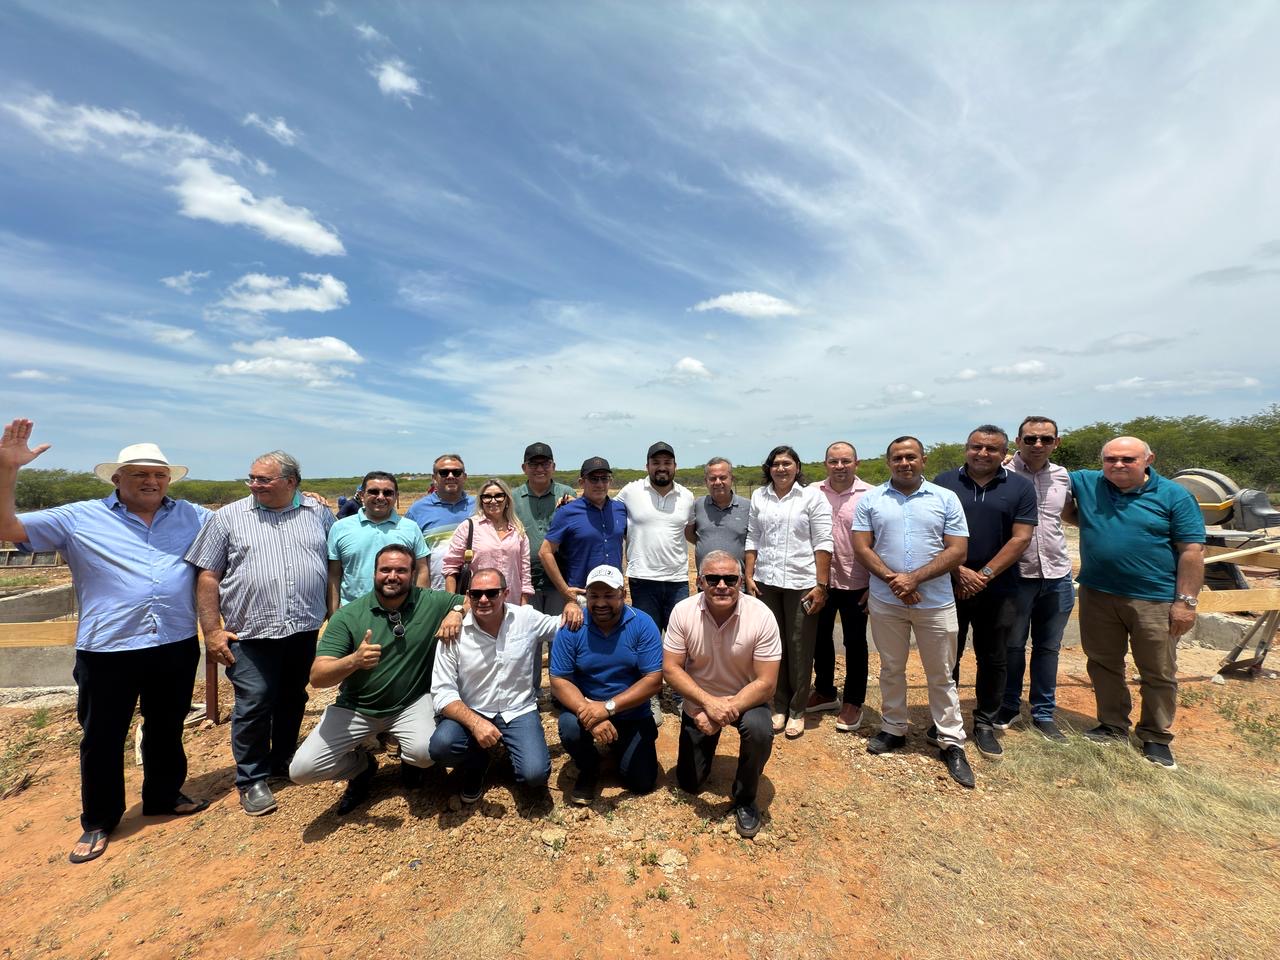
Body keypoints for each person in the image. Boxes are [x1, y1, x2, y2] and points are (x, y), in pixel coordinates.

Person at [0, 419, 210, 864]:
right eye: (140, 474)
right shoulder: (78, 518)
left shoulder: (192, 515)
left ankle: (163, 795)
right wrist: (8, 469)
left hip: (173, 641)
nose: (151, 481)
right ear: (117, 479)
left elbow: (241, 523)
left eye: (159, 475)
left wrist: (303, 501)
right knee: (102, 736)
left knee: (167, 726)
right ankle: (99, 819)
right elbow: (8, 528)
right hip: (108, 648)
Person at [186, 450, 334, 817]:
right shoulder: (227, 518)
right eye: (251, 478)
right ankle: (251, 778)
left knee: (292, 697)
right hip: (249, 632)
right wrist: (212, 631)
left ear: (291, 482)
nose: (254, 485)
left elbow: (335, 561)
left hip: (303, 628)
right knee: (255, 700)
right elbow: (207, 576)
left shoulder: (318, 514)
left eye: (263, 479)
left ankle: (282, 758)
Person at [289, 545, 463, 813]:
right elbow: (318, 677)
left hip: (410, 703)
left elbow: (475, 600)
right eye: (385, 570)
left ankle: (409, 760)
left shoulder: (430, 601)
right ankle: (362, 766)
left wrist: (457, 611)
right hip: (356, 708)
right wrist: (353, 661)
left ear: (413, 574)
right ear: (374, 574)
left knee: (426, 753)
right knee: (302, 770)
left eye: (401, 570)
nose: (392, 576)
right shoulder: (348, 616)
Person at [1069, 436, 1205, 770]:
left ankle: (1155, 736)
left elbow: (1192, 550)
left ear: (1148, 460)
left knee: (1158, 669)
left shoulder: (1174, 496)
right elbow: (1043, 473)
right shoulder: (1088, 482)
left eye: (1127, 459)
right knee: (1103, 662)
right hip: (1098, 593)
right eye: (1110, 459)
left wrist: (1186, 603)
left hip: (1154, 599)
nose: (1118, 465)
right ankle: (1112, 724)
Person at [852, 437, 974, 788]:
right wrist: (896, 581)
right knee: (891, 667)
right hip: (886, 600)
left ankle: (950, 740)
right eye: (897, 458)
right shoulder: (871, 499)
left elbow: (958, 550)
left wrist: (914, 578)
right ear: (888, 462)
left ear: (923, 460)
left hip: (935, 602)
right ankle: (893, 728)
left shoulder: (945, 498)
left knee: (941, 673)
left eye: (910, 457)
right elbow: (862, 546)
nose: (904, 463)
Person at [933, 426, 1037, 758]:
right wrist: (958, 571)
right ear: (966, 448)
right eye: (976, 447)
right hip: (948, 584)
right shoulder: (943, 483)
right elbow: (930, 531)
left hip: (999, 586)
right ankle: (945, 720)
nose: (982, 453)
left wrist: (983, 575)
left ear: (1004, 452)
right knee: (947, 656)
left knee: (993, 657)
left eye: (991, 449)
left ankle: (985, 723)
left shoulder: (1020, 486)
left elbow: (1021, 538)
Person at [663, 551, 780, 839]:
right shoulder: (683, 611)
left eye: (730, 579)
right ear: (699, 581)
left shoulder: (761, 615)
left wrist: (720, 713)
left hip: (747, 698)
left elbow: (766, 683)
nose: (722, 585)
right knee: (688, 783)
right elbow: (671, 669)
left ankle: (745, 798)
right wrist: (707, 703)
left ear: (741, 581)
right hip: (700, 702)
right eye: (713, 579)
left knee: (759, 728)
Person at [428, 568, 571, 802]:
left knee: (534, 775)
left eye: (492, 593)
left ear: (505, 593)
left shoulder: (525, 618)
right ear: (468, 596)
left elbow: (562, 625)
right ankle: (477, 762)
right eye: (476, 594)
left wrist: (573, 605)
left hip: (518, 710)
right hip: (473, 709)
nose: (483, 599)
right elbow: (442, 692)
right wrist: (475, 723)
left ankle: (509, 755)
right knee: (442, 747)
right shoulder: (453, 631)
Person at [550, 565, 662, 805]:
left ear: (623, 594)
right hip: (586, 708)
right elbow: (559, 680)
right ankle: (589, 766)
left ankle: (618, 747)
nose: (601, 603)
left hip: (631, 712)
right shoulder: (573, 626)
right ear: (586, 597)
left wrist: (608, 708)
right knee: (569, 726)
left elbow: (653, 680)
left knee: (642, 783)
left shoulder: (642, 624)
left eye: (609, 595)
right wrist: (592, 715)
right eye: (594, 596)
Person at [743, 445, 833, 740]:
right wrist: (749, 575)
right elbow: (753, 537)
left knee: (799, 645)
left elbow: (823, 542)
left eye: (787, 463)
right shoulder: (760, 496)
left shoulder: (812, 497)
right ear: (768, 468)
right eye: (776, 464)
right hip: (766, 581)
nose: (781, 469)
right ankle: (778, 704)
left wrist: (821, 585)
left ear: (797, 467)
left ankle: (797, 710)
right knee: (773, 644)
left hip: (802, 581)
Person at [1000, 416, 1075, 742]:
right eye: (1030, 439)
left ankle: (1043, 713)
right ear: (1018, 442)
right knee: (1013, 645)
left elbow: (1069, 514)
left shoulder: (1063, 475)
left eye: (1046, 439)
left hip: (1057, 574)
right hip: (1018, 574)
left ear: (1057, 442)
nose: (1038, 444)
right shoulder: (1003, 473)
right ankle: (1009, 705)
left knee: (1048, 647)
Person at [809, 441, 875, 732]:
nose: (840, 466)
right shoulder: (812, 492)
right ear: (825, 464)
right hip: (820, 581)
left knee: (855, 643)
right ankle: (824, 691)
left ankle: (853, 701)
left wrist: (876, 584)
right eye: (834, 461)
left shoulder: (871, 495)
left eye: (846, 461)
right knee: (819, 638)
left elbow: (880, 540)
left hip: (857, 581)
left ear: (856, 463)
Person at [616, 441, 695, 634]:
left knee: (680, 636)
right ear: (647, 466)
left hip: (677, 580)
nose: (662, 467)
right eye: (656, 462)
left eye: (667, 462)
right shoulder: (630, 491)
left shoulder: (687, 496)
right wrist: (574, 501)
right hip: (642, 579)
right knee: (647, 636)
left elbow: (690, 531)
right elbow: (602, 507)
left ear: (675, 466)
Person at [327, 470, 429, 612]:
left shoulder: (411, 528)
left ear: (396, 496)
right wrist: (334, 615)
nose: (380, 497)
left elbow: (421, 570)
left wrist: (420, 610)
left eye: (387, 493)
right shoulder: (340, 528)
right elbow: (334, 575)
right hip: (353, 612)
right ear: (362, 495)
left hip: (402, 612)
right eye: (374, 492)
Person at [538, 457, 627, 608]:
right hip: (582, 595)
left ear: (610, 481)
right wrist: (565, 591)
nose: (599, 484)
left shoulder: (620, 509)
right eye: (593, 479)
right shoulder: (567, 512)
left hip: (614, 593)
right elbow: (545, 552)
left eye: (604, 478)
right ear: (581, 482)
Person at [442, 477, 534, 604]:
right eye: (487, 497)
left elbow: (525, 574)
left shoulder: (518, 530)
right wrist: (453, 604)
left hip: (512, 602)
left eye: (499, 496)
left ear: (507, 499)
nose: (493, 501)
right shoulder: (468, 527)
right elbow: (450, 567)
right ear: (481, 501)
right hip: (479, 601)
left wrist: (523, 605)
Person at [512, 442, 576, 615]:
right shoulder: (512, 498)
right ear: (524, 468)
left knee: (559, 628)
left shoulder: (567, 493)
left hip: (560, 580)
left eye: (545, 464)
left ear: (553, 466)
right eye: (533, 464)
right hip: (525, 582)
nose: (540, 469)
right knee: (528, 630)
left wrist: (577, 506)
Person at [405, 454, 476, 589]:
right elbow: (407, 555)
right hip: (436, 592)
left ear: (464, 477)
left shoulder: (479, 506)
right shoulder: (417, 510)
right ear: (434, 478)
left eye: (456, 472)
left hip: (478, 593)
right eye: (444, 473)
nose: (450, 476)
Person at [686, 457, 750, 569]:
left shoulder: (748, 507)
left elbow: (753, 543)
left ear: (732, 479)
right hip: (706, 577)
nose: (718, 482)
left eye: (723, 477)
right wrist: (705, 543)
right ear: (706, 481)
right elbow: (689, 534)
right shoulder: (697, 505)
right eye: (712, 478)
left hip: (736, 578)